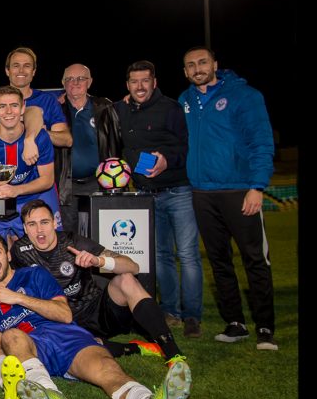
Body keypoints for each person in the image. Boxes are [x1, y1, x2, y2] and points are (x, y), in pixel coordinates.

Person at [0, 234, 192, 399]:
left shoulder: (33, 275)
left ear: (8, 255)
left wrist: (18, 298)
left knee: (108, 370)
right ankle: (49, 393)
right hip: (31, 348)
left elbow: (65, 314)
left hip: (66, 337)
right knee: (12, 335)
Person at [179, 47, 277, 350]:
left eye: (203, 62)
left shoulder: (244, 95)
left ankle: (265, 327)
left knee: (254, 259)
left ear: (215, 65)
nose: (197, 68)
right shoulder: (185, 101)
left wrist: (257, 186)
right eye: (191, 65)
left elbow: (261, 141)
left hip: (239, 190)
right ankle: (235, 323)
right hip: (202, 194)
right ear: (185, 71)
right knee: (219, 262)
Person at [12, 199, 185, 362]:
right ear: (25, 229)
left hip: (96, 310)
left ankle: (173, 354)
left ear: (54, 223)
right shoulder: (20, 251)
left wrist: (99, 261)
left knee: (126, 279)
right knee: (68, 345)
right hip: (63, 319)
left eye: (44, 222)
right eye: (32, 224)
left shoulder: (73, 242)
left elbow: (133, 267)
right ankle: (133, 348)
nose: (39, 230)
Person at [116, 60, 203, 338]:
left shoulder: (171, 108)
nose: (139, 86)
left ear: (154, 82)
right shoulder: (122, 110)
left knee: (188, 255)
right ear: (127, 85)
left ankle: (192, 316)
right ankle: (170, 311)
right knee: (161, 256)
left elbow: (187, 147)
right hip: (145, 197)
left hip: (178, 191)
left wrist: (168, 161)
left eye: (144, 81)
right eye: (134, 81)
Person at [0, 86, 59, 239]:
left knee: (36, 254)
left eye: (14, 106)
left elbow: (47, 180)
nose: (8, 112)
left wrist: (16, 190)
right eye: (2, 107)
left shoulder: (39, 138)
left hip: (28, 205)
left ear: (23, 108)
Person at [0, 48, 73, 166]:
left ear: (34, 71)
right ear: (7, 71)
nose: (21, 70)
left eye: (27, 66)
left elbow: (67, 140)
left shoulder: (47, 101)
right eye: (16, 65)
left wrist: (38, 132)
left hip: (35, 176)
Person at [57, 64, 122, 234]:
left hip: (98, 183)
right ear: (63, 83)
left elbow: (117, 141)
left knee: (99, 234)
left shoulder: (104, 107)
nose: (75, 82)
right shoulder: (56, 110)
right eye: (70, 79)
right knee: (68, 236)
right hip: (66, 185)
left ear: (90, 82)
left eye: (81, 78)